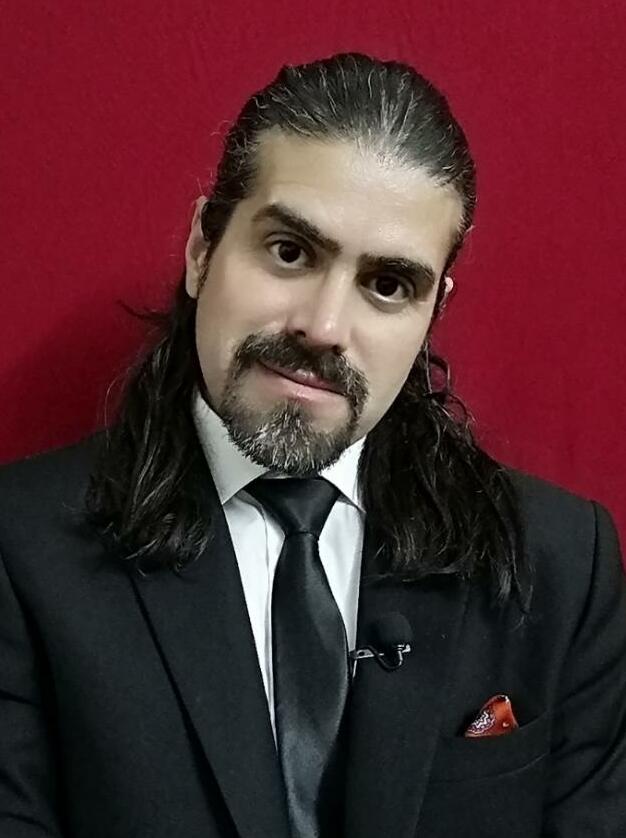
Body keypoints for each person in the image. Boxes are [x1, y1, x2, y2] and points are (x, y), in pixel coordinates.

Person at [0, 51, 624, 838]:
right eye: (290, 251)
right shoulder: (19, 552)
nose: (324, 327)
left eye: (388, 285)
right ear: (201, 249)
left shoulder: (564, 564)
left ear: (433, 313)